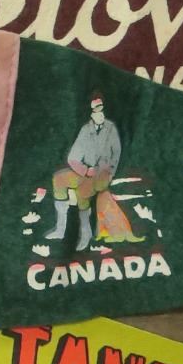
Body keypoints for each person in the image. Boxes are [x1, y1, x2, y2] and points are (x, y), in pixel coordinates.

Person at [48, 93, 143, 252]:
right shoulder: (86, 130)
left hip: (103, 174)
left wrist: (108, 173)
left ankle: (86, 233)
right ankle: (60, 228)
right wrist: (85, 170)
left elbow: (116, 154)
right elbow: (73, 157)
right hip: (86, 172)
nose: (99, 114)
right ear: (91, 113)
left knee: (82, 191)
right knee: (59, 179)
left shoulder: (111, 129)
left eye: (101, 109)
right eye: (95, 110)